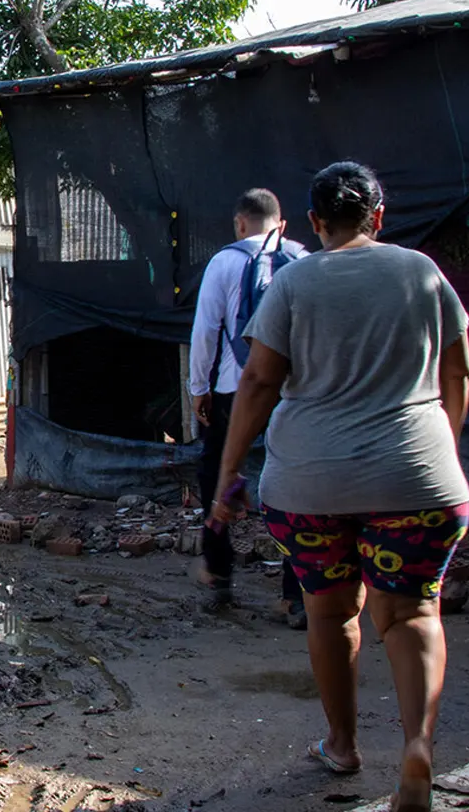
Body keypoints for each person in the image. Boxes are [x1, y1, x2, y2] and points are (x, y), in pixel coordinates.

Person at [211, 162, 469, 812]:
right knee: (413, 611)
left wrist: (227, 476)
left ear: (318, 224)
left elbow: (258, 383)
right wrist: (443, 452)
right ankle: (416, 747)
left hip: (310, 488)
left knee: (331, 611)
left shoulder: (294, 282)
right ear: (379, 218)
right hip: (417, 476)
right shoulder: (421, 272)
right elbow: (459, 372)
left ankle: (342, 744)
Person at [187, 188, 308, 622]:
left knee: (217, 469)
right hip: (291, 390)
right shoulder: (302, 258)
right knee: (295, 481)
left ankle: (219, 570)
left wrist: (197, 388)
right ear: (283, 224)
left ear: (240, 224)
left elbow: (205, 331)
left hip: (232, 388)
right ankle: (296, 594)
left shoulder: (224, 261)